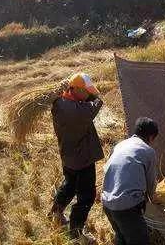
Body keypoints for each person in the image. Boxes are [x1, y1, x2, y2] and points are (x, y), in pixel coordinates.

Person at [48, 72, 104, 244]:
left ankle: (56, 213)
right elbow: (96, 103)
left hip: (68, 156)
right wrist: (95, 96)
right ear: (76, 89)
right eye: (85, 91)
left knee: (70, 185)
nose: (88, 94)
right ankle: (77, 233)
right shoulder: (77, 110)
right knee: (86, 195)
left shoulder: (59, 102)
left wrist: (79, 93)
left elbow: (84, 100)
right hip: (82, 159)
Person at [102, 117, 158, 245]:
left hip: (107, 202)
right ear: (151, 137)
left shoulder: (120, 145)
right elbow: (151, 185)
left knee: (121, 237)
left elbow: (109, 170)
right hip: (126, 206)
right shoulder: (148, 151)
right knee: (140, 240)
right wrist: (153, 200)